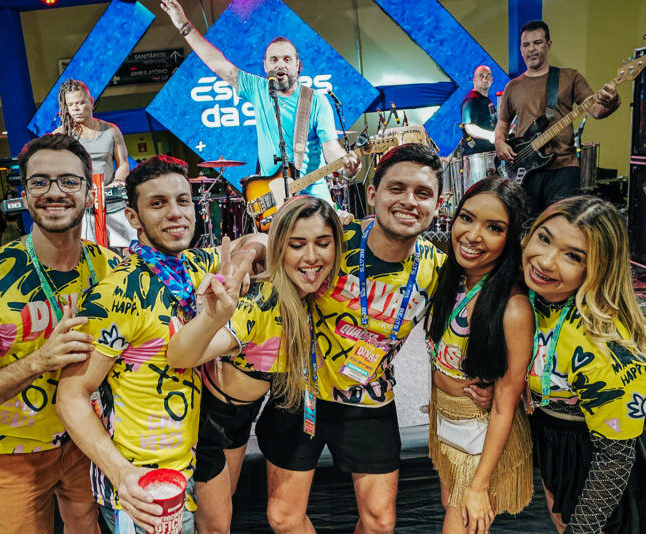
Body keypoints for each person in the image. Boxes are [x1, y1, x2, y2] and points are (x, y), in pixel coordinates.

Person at [253, 143, 478, 534]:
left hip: (369, 398)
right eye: (397, 188)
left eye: (423, 193)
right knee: (283, 518)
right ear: (373, 194)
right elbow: (273, 243)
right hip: (303, 393)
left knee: (379, 523)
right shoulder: (334, 239)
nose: (409, 201)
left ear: (438, 205)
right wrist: (247, 253)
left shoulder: (439, 270)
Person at [56, 155, 260, 534]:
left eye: (183, 201)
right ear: (133, 218)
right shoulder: (115, 294)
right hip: (144, 487)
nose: (175, 213)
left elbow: (258, 239)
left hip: (195, 464)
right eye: (158, 203)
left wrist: (244, 260)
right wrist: (121, 473)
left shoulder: (195, 266)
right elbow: (70, 396)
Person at [0, 134, 121, 534]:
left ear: (89, 194)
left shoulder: (112, 269)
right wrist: (40, 360)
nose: (55, 192)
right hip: (12, 451)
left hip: (88, 439)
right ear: (24, 196)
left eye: (69, 181)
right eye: (40, 182)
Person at [164, 195, 343, 534]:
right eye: (297, 245)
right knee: (216, 525)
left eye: (323, 243)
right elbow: (181, 356)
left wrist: (249, 252)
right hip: (215, 422)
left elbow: (258, 239)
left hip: (259, 411)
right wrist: (213, 316)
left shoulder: (317, 289)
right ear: (281, 248)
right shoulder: (262, 303)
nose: (311, 256)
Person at [522, 196, 646, 534]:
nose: (546, 261)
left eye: (573, 256)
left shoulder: (602, 344)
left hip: (612, 451)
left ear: (598, 269)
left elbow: (615, 459)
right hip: (560, 433)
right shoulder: (530, 288)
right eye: (544, 238)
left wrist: (582, 528)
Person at [160, 0, 360, 203]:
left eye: (287, 59)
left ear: (298, 66)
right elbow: (217, 63)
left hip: (313, 198)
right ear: (265, 66)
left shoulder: (316, 101)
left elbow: (331, 147)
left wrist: (346, 167)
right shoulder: (257, 89)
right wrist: (183, 25)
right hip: (275, 200)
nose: (280, 64)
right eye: (274, 59)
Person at [425, 177, 533, 534]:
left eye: (494, 228)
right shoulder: (453, 278)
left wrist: (479, 484)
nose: (473, 235)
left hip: (481, 436)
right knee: (451, 508)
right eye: (467, 218)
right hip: (446, 423)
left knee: (462, 522)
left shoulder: (513, 308)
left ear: (511, 238)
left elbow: (504, 403)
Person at [494, 20, 620, 215]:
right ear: (521, 49)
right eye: (526, 45)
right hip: (526, 170)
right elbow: (502, 124)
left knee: (561, 224)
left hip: (564, 168)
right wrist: (499, 142)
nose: (531, 49)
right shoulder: (513, 87)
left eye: (538, 43)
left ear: (549, 44)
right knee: (526, 225)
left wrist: (611, 101)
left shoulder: (569, 77)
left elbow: (595, 110)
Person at [54, 78, 135, 250]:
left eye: (80, 103)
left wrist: (116, 182)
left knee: (127, 251)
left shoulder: (111, 130)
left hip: (113, 203)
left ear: (91, 102)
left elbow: (123, 164)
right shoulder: (61, 135)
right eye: (70, 105)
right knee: (90, 253)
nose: (75, 109)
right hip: (83, 207)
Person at [460, 66, 497, 155]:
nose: (485, 79)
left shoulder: (487, 100)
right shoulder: (471, 100)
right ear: (474, 80)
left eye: (488, 76)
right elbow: (470, 127)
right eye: (481, 76)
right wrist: (491, 135)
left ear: (492, 80)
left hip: (490, 153)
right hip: (477, 156)